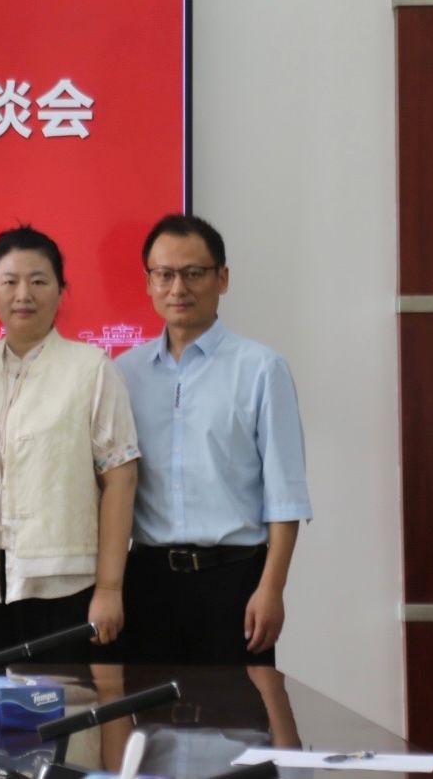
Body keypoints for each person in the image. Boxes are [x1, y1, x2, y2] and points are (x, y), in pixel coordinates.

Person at [116, 213, 312, 665]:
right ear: (148, 283)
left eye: (193, 273)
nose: (178, 288)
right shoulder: (125, 373)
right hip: (147, 581)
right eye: (164, 275)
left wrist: (272, 588)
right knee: (149, 707)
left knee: (236, 705)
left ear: (222, 278)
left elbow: (285, 494)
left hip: (234, 580)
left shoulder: (261, 368)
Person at [0, 226, 140, 665]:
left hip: (67, 586)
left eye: (38, 281)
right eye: (9, 281)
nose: (23, 294)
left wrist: (109, 588)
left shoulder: (91, 368)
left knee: (69, 705)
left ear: (60, 290)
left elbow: (121, 480)